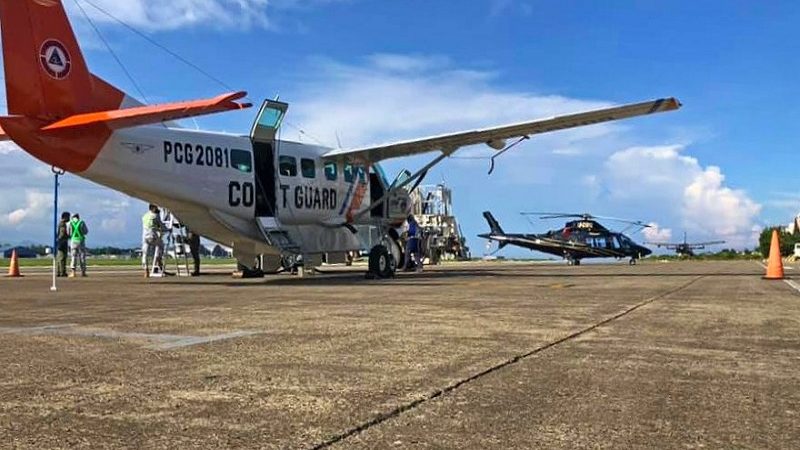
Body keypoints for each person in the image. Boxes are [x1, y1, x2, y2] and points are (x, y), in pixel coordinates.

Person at [142, 204, 165, 277]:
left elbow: (150, 225)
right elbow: (161, 226)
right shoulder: (156, 216)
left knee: (145, 254)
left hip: (145, 237)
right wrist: (167, 229)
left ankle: (146, 270)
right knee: (160, 245)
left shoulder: (144, 216)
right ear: (153, 208)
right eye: (156, 208)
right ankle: (159, 260)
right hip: (153, 236)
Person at [67, 213, 88, 277]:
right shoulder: (82, 222)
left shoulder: (70, 223)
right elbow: (86, 231)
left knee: (73, 256)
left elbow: (68, 233)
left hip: (73, 241)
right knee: (82, 256)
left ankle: (73, 272)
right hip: (81, 240)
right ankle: (83, 272)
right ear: (78, 217)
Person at [56, 211, 70, 277]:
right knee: (62, 257)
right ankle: (62, 272)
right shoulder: (63, 224)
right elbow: (62, 233)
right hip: (62, 242)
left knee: (59, 257)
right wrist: (67, 236)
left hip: (60, 241)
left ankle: (59, 272)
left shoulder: (60, 223)